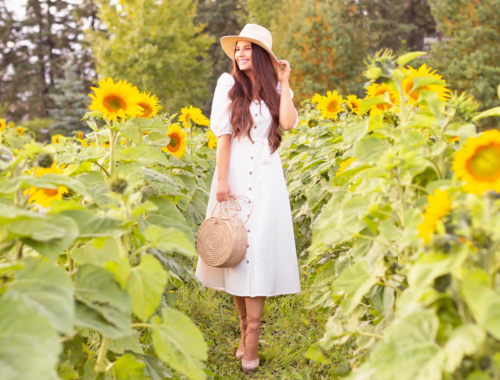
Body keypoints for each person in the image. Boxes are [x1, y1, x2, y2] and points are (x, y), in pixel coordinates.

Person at [194, 23, 301, 373]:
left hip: (268, 181)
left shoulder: (274, 87)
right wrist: (222, 181)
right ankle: (243, 330)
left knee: (259, 252)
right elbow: (223, 137)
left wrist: (284, 83)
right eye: (237, 49)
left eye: (246, 49)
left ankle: (252, 337)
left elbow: (288, 124)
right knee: (236, 252)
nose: (239, 55)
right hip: (235, 177)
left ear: (261, 55)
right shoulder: (228, 86)